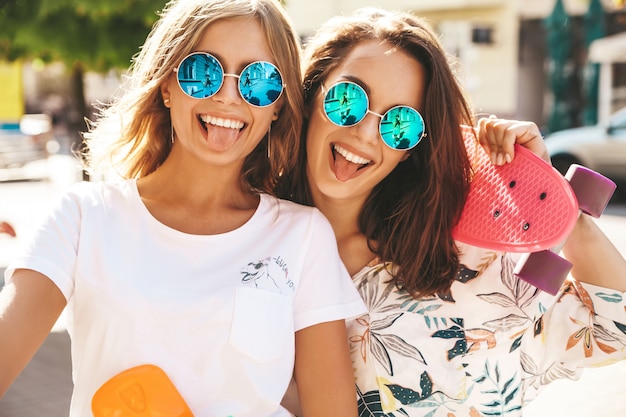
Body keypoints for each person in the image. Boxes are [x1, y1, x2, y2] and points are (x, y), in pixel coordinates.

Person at [0, 1, 366, 416]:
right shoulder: (85, 216)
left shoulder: (302, 236)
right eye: (203, 71)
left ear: (278, 105)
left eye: (259, 81)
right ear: (167, 85)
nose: (228, 97)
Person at [276, 7, 626, 417]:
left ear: (414, 149)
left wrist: (553, 201)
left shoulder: (465, 265)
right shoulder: (247, 242)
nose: (366, 133)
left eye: (400, 123)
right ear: (310, 93)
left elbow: (612, 323)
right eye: (348, 100)